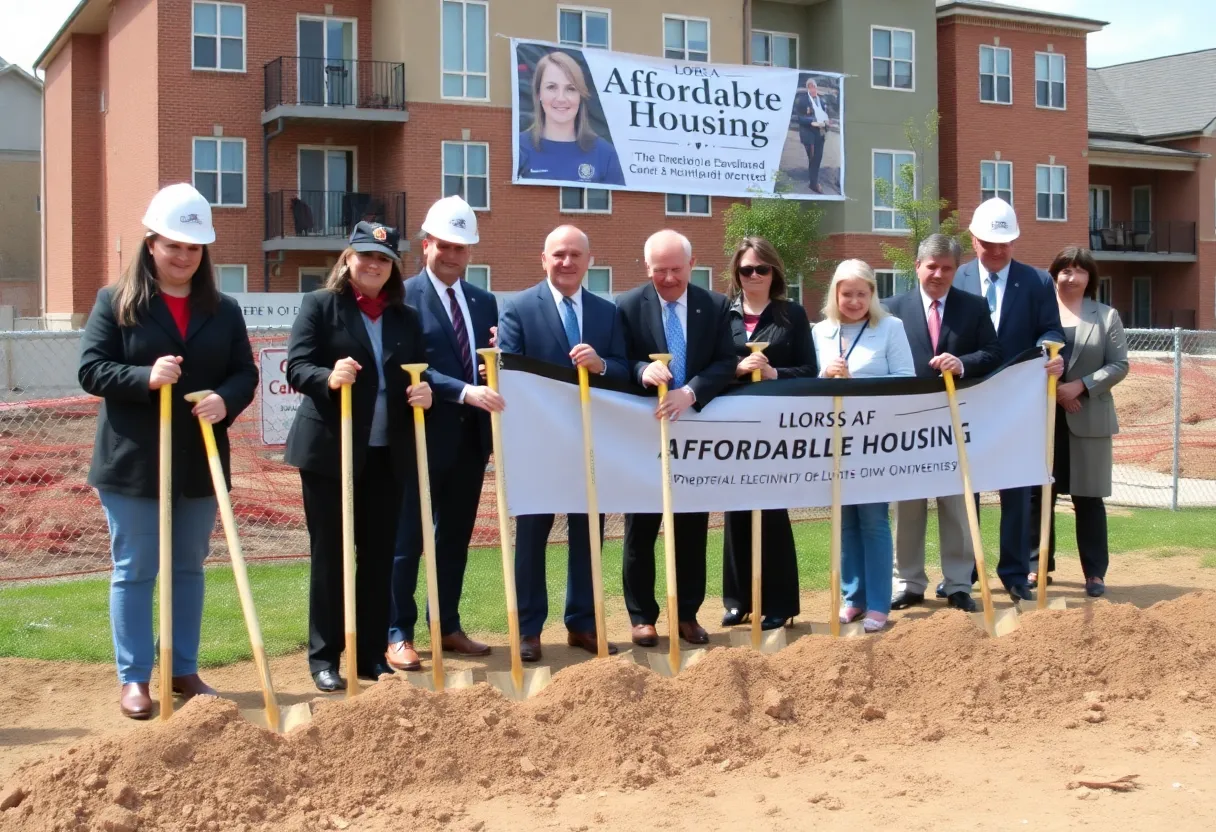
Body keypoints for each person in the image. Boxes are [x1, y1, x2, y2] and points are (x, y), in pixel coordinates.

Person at [78, 183, 258, 719]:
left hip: (200, 460)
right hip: (134, 461)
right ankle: (135, 677)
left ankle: (182, 668)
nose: (183, 256)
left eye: (193, 247)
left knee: (188, 568)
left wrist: (225, 399)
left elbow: (244, 372)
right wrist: (143, 376)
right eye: (173, 245)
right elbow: (91, 369)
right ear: (151, 244)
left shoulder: (223, 309)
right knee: (134, 568)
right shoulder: (116, 302)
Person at [285, 221, 433, 693]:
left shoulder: (405, 317)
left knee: (378, 557)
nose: (374, 264)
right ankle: (324, 657)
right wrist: (328, 377)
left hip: (388, 454)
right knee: (331, 555)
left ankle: (370, 655)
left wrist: (424, 392)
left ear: (394, 267)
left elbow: (419, 373)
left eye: (384, 259)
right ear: (348, 258)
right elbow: (297, 366)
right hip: (331, 451)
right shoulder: (321, 305)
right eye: (366, 255)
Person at [496, 225, 630, 661]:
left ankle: (584, 623)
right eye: (558, 254)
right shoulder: (518, 308)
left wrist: (602, 364)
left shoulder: (607, 313)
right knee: (531, 537)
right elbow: (510, 374)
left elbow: (625, 368)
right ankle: (528, 629)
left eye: (575, 254)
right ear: (544, 259)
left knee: (589, 536)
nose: (567, 262)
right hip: (537, 445)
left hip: (591, 444)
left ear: (589, 261)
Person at [387, 196, 499, 673]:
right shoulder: (402, 296)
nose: (453, 255)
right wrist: (464, 391)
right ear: (426, 244)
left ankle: (446, 625)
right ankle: (398, 632)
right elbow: (406, 364)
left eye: (461, 248)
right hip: (419, 437)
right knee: (406, 540)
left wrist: (496, 368)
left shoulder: (483, 300)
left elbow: (487, 364)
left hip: (470, 442)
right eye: (445, 246)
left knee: (454, 537)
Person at [616, 229, 738, 647]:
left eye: (675, 269)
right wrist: (640, 371)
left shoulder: (715, 305)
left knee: (691, 529)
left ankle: (687, 614)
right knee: (640, 528)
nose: (668, 278)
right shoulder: (627, 306)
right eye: (659, 270)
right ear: (646, 267)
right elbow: (619, 360)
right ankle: (642, 617)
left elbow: (726, 361)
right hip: (645, 435)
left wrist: (691, 392)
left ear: (692, 264)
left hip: (696, 437)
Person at [883, 234, 1002, 614]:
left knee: (956, 506)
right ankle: (908, 582)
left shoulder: (974, 306)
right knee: (907, 507)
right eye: (931, 266)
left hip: (955, 424)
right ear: (917, 266)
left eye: (946, 268)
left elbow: (993, 352)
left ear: (956, 270)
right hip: (906, 425)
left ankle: (958, 583)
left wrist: (962, 363)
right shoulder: (890, 309)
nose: (938, 274)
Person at [953, 198, 1064, 603]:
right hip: (968, 401)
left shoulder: (1037, 282)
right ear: (973, 239)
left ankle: (1016, 573)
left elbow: (1051, 330)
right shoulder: (957, 278)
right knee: (965, 491)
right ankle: (962, 574)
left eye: (1004, 243)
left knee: (1017, 490)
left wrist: (1051, 351)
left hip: (1018, 404)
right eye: (989, 243)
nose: (997, 250)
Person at [812, 259, 915, 632]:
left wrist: (856, 382)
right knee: (846, 521)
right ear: (835, 295)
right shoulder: (820, 331)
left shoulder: (890, 328)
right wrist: (824, 375)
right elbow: (808, 384)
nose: (854, 301)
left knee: (873, 519)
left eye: (861, 293)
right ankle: (853, 598)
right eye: (847, 294)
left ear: (872, 294)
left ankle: (878, 603)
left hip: (876, 441)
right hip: (834, 440)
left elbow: (906, 379)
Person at [720, 237, 816, 630]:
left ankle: (779, 603)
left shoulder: (792, 315)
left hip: (776, 427)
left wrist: (775, 372)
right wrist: (735, 369)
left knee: (772, 513)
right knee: (735, 511)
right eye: (747, 269)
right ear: (737, 273)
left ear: (774, 272)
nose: (754, 275)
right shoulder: (722, 315)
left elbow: (810, 371)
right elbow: (709, 366)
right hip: (731, 425)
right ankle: (738, 601)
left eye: (762, 268)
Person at [1028, 246, 1128, 598]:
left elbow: (1119, 365)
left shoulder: (1106, 316)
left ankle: (1095, 573)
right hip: (1041, 418)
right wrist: (1056, 392)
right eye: (1065, 270)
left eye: (1079, 270)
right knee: (1039, 496)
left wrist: (1079, 386)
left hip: (1088, 419)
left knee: (1089, 499)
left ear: (1090, 277)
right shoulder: (1037, 313)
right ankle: (1036, 566)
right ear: (1054, 275)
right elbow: (1021, 359)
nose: (1071, 277)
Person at [517, 50, 625, 186]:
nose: (561, 98)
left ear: (580, 96)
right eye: (551, 87)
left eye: (570, 89)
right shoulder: (518, 149)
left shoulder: (605, 154)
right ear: (539, 94)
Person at [792, 78, 831, 192]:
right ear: (807, 88)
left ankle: (813, 181)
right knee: (813, 158)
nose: (813, 89)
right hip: (808, 134)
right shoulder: (802, 101)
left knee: (817, 158)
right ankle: (814, 183)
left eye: (814, 87)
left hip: (820, 134)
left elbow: (825, 116)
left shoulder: (822, 102)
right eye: (810, 87)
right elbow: (799, 118)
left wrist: (827, 123)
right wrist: (812, 121)